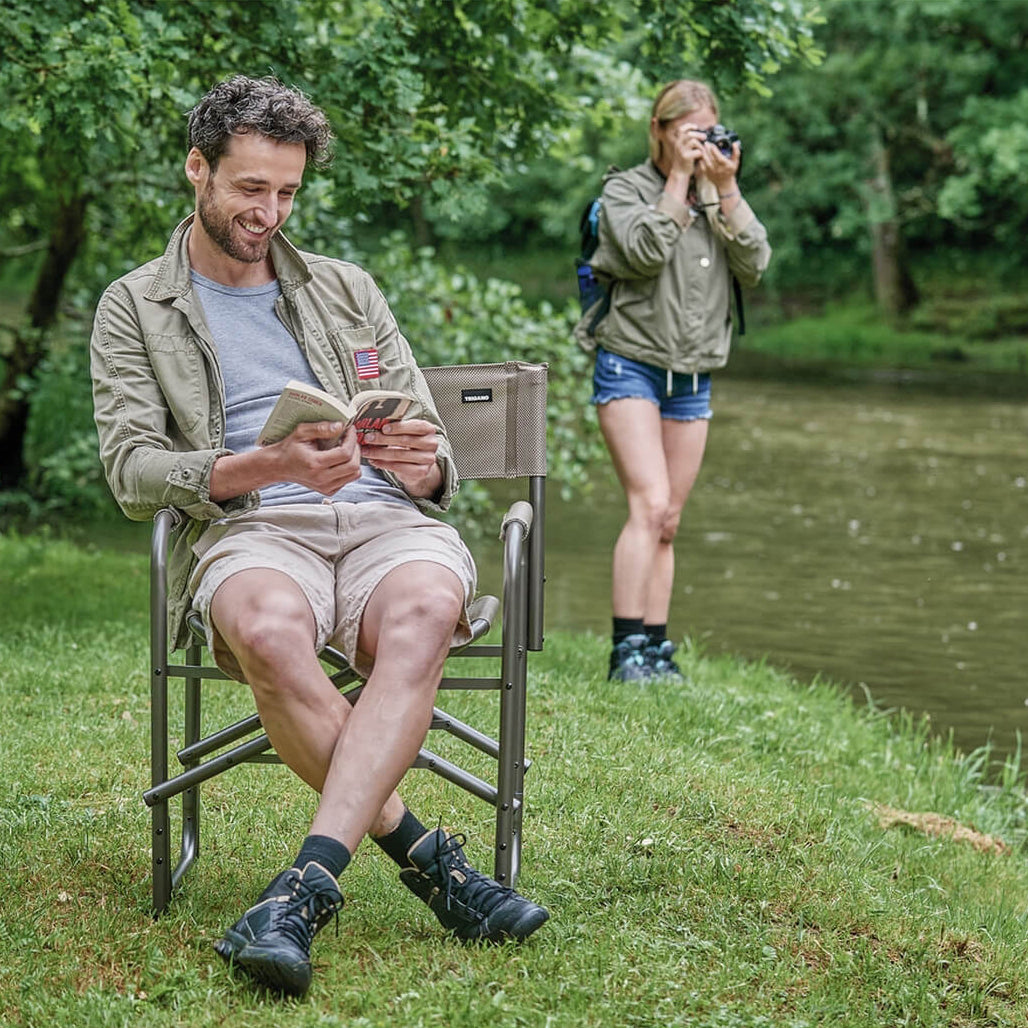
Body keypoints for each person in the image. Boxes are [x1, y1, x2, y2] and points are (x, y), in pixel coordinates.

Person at [90, 74, 548, 997]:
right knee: (263, 627)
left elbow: (427, 448)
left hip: (383, 516)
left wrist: (421, 463)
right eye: (250, 188)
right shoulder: (135, 306)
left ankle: (301, 891)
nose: (269, 212)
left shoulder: (346, 289)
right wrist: (274, 467)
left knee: (425, 606)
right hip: (252, 523)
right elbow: (133, 474)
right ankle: (431, 860)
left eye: (287, 192)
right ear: (198, 170)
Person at [573, 79, 772, 684]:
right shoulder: (624, 190)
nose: (699, 145)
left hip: (693, 375)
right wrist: (681, 181)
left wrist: (726, 187)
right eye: (688, 134)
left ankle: (656, 649)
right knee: (648, 503)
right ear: (659, 131)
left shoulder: (717, 195)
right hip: (630, 361)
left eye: (708, 133)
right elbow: (640, 253)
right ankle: (624, 651)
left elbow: (757, 262)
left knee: (669, 518)